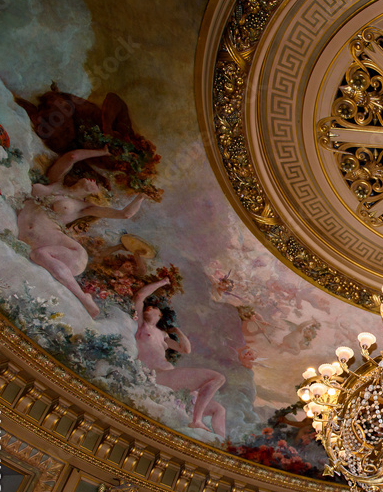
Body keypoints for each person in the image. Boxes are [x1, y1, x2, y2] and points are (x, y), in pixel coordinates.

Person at [17, 148, 145, 317]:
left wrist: (140, 197)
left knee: (39, 255)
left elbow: (124, 214)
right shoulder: (56, 181)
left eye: (97, 185)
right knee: (39, 255)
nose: (93, 180)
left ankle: (83, 299)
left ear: (96, 194)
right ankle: (83, 298)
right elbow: (72, 156)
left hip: (63, 249)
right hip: (24, 233)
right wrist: (103, 152)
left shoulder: (83, 208)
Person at [133, 279, 227, 437]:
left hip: (171, 377)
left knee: (219, 409)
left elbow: (186, 349)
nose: (149, 307)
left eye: (154, 307)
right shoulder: (142, 326)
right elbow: (140, 296)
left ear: (160, 315)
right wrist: (163, 282)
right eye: (148, 306)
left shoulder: (163, 336)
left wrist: (176, 330)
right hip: (159, 375)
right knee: (217, 378)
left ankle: (221, 444)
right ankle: (196, 420)